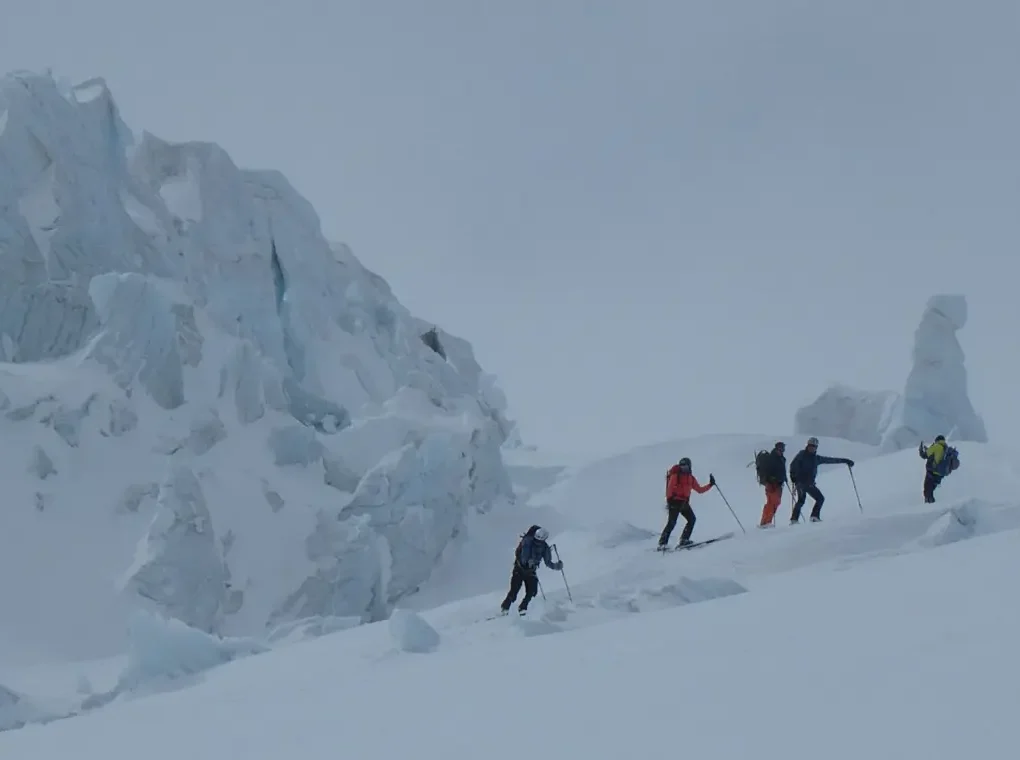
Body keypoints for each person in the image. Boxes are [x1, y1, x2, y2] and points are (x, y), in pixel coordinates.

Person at [788, 437, 855, 523]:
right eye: (810, 445)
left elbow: (830, 460)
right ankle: (800, 519)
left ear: (816, 448)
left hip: (808, 483)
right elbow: (792, 466)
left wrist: (845, 461)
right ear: (807, 446)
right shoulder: (801, 455)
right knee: (809, 499)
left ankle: (808, 517)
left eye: (814, 446)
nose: (812, 448)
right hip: (801, 483)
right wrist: (794, 478)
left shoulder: (816, 458)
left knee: (813, 499)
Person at [500, 525, 563, 616]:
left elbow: (547, 562)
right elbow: (524, 557)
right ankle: (507, 608)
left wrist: (557, 566)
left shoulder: (542, 547)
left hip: (526, 570)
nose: (538, 542)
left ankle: (521, 608)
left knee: (531, 591)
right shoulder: (528, 542)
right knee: (516, 590)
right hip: (522, 569)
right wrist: (529, 561)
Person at [658, 457, 715, 549]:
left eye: (685, 466)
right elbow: (669, 490)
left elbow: (700, 490)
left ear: (689, 467)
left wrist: (710, 485)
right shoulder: (675, 476)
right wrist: (670, 501)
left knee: (692, 519)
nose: (683, 468)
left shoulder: (691, 478)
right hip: (675, 502)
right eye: (682, 466)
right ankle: (662, 544)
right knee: (671, 523)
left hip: (684, 503)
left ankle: (684, 540)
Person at [919, 435, 959, 503]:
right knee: (930, 491)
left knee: (927, 492)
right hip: (940, 475)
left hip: (932, 473)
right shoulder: (945, 448)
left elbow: (924, 455)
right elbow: (937, 455)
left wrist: (920, 449)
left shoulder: (936, 446)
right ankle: (931, 505)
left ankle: (930, 508)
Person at [757, 441, 788, 528]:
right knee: (772, 502)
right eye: (780, 449)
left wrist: (785, 478)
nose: (782, 451)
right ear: (776, 448)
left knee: (775, 503)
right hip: (771, 484)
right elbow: (767, 471)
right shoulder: (771, 458)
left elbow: (782, 470)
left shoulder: (782, 459)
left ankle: (765, 522)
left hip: (778, 484)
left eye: (783, 449)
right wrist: (770, 479)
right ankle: (766, 522)